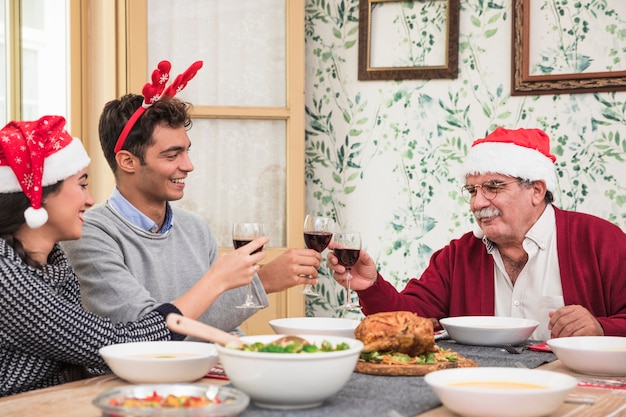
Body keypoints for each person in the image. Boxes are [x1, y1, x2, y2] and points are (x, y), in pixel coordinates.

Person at [0, 116, 265, 396]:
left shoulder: (54, 260)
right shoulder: (7, 273)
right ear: (37, 196)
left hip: (71, 397)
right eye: (82, 185)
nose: (90, 200)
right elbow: (119, 342)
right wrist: (217, 282)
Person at [61, 60, 321, 334]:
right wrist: (262, 281)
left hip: (205, 374)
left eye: (186, 151)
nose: (188, 165)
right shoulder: (90, 234)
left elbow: (218, 328)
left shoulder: (195, 229)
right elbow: (146, 334)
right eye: (172, 155)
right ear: (127, 161)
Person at [327, 127, 626, 341]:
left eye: (493, 187)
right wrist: (370, 286)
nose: (477, 202)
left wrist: (600, 329)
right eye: (472, 191)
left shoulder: (600, 241)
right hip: (476, 392)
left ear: (536, 190)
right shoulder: (458, 255)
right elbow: (407, 321)